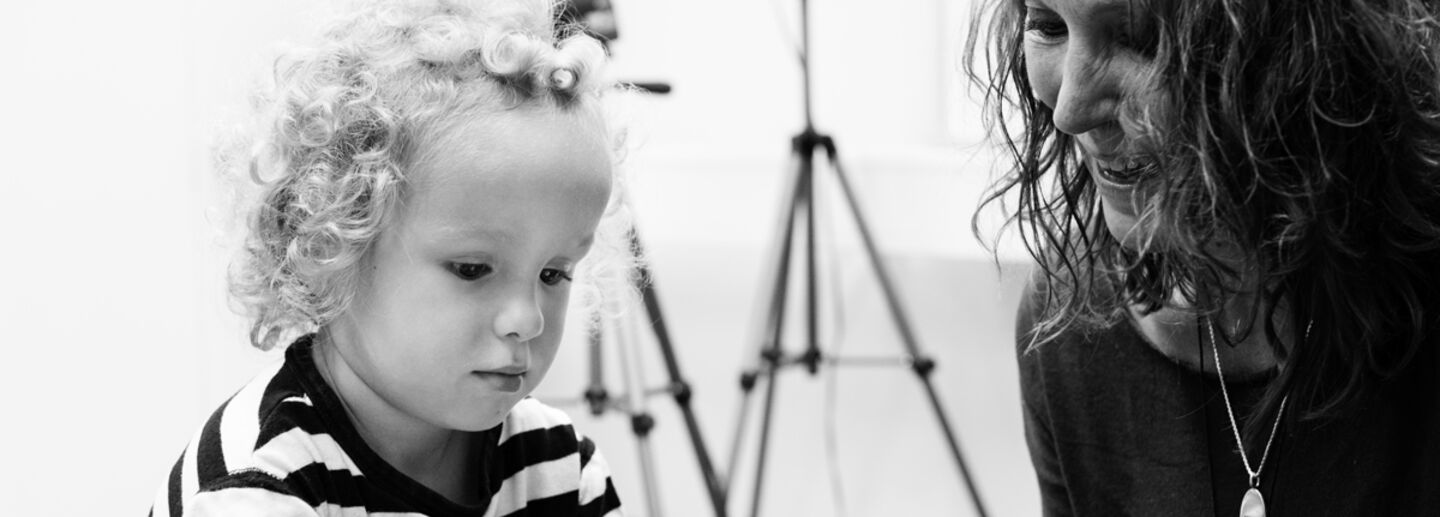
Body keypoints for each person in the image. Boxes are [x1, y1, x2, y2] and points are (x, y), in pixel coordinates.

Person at [151, 1, 629, 515]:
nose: (527, 319)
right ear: (335, 247)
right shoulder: (260, 489)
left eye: (552, 273)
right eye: (473, 269)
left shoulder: (555, 466)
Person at [968, 0, 1440, 515]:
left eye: (1143, 38)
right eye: (1048, 26)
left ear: (1307, 48)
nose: (1070, 109)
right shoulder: (1068, 319)